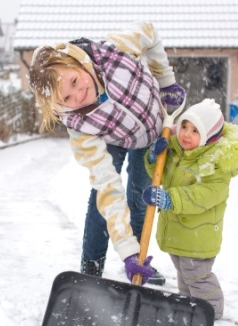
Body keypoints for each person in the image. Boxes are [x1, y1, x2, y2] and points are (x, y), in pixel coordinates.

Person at [29, 21, 185, 286]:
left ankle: (141, 261)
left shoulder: (116, 50)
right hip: (110, 136)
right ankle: (92, 268)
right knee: (103, 201)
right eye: (66, 99)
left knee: (140, 199)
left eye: (75, 81)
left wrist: (166, 81)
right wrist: (125, 250)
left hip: (153, 134)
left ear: (76, 61)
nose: (79, 95)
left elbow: (149, 32)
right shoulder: (81, 128)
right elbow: (109, 189)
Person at [142, 98, 238, 318]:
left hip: (197, 235)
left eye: (195, 130)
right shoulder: (176, 151)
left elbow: (205, 195)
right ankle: (190, 307)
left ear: (209, 137)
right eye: (184, 126)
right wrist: (154, 158)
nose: (185, 134)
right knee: (184, 274)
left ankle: (210, 312)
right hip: (178, 233)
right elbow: (160, 174)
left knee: (197, 276)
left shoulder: (215, 163)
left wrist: (169, 199)